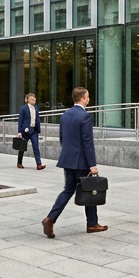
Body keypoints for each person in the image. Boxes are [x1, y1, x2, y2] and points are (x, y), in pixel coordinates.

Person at [42, 87, 106, 238]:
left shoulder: (65, 115)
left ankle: (50, 218)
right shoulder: (85, 116)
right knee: (90, 189)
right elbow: (87, 142)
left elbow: (62, 138)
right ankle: (92, 224)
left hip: (67, 159)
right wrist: (92, 164)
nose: (89, 99)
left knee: (68, 190)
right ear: (83, 98)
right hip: (81, 161)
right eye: (88, 96)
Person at [16, 92, 45, 170]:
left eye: (34, 99)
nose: (33, 100)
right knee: (22, 147)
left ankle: (39, 164)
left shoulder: (36, 108)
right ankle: (19, 163)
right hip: (25, 131)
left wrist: (38, 129)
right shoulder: (23, 108)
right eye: (32, 99)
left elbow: (37, 119)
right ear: (27, 100)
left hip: (34, 130)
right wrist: (19, 132)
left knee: (36, 146)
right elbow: (20, 120)